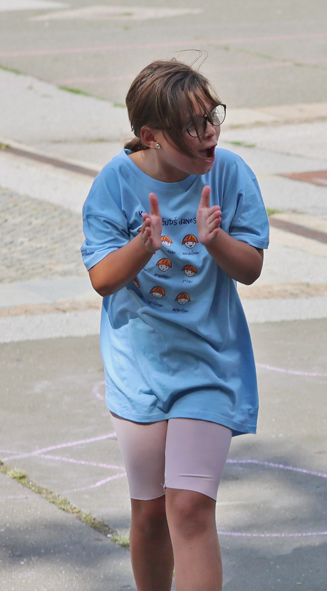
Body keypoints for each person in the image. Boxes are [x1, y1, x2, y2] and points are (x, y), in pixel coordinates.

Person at [81, 60, 269, 591]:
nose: (209, 131)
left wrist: (216, 242)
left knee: (188, 508)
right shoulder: (115, 184)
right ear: (151, 136)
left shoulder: (229, 173)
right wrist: (143, 245)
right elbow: (102, 279)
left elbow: (250, 268)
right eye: (193, 125)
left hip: (210, 363)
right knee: (149, 514)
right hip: (138, 367)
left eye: (212, 116)